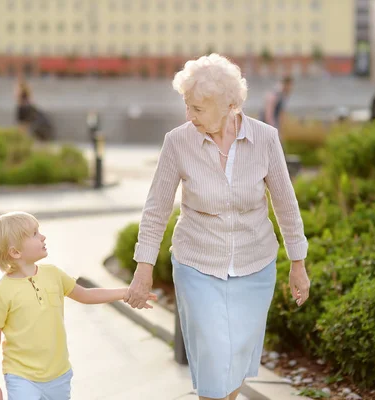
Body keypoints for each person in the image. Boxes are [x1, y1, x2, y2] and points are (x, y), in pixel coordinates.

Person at [125, 54, 310, 400]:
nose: (189, 116)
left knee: (236, 359)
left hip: (255, 264)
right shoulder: (178, 142)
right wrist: (143, 267)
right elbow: (156, 209)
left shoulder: (266, 139)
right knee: (212, 354)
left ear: (229, 105)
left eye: (197, 108)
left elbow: (286, 205)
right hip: (198, 262)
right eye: (187, 106)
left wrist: (297, 264)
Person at [0, 211, 157, 400]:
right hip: (21, 376)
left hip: (58, 374)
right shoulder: (1, 292)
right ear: (15, 252)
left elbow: (85, 294)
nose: (43, 236)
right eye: (34, 234)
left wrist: (126, 293)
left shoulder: (54, 274)